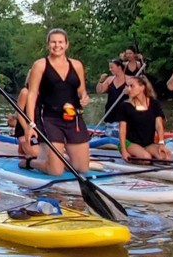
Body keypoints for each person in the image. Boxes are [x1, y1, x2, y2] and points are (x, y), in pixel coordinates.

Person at [24, 28, 92, 178]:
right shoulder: (40, 65)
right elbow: (32, 94)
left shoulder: (77, 65)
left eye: (60, 42)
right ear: (48, 44)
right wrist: (31, 124)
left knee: (82, 168)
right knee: (56, 171)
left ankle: (61, 159)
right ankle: (31, 162)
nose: (57, 45)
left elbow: (81, 89)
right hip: (50, 118)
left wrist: (84, 96)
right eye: (53, 42)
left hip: (73, 118)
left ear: (67, 44)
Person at [118, 74, 172, 161]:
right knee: (146, 158)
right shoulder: (125, 106)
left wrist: (161, 143)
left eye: (132, 86)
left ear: (142, 87)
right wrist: (124, 150)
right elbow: (122, 130)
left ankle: (145, 152)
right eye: (127, 86)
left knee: (167, 157)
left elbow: (159, 125)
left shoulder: (154, 103)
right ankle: (139, 155)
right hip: (130, 143)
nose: (128, 89)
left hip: (148, 143)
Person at [95, 57, 130, 127]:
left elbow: (139, 94)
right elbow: (99, 91)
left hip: (125, 113)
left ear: (119, 67)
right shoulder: (109, 79)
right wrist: (100, 81)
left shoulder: (130, 80)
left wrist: (130, 91)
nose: (110, 69)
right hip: (110, 112)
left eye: (112, 67)